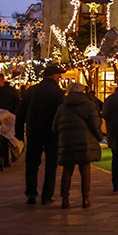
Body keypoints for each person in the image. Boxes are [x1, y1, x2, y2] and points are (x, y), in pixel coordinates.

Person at [16, 64, 65, 205]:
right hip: (51, 133)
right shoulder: (57, 92)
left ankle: (31, 193)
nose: (59, 77)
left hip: (34, 132)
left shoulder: (32, 90)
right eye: (58, 75)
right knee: (51, 165)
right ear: (54, 75)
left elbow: (21, 112)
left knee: (32, 163)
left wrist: (19, 132)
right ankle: (47, 195)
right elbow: (61, 114)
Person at [53, 83, 103, 209]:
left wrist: (60, 136)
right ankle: (85, 199)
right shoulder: (89, 105)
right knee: (85, 170)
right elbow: (95, 123)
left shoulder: (62, 107)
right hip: (85, 140)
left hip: (67, 141)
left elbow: (55, 126)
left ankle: (65, 199)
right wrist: (99, 137)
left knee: (67, 170)